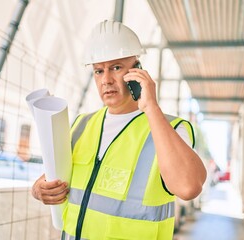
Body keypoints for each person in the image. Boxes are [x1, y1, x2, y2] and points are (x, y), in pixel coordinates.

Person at [31, 20, 207, 240]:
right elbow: (52, 178)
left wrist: (151, 107)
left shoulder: (170, 129)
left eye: (116, 68)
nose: (106, 80)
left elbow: (188, 187)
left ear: (137, 71)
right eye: (98, 71)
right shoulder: (81, 125)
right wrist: (39, 188)